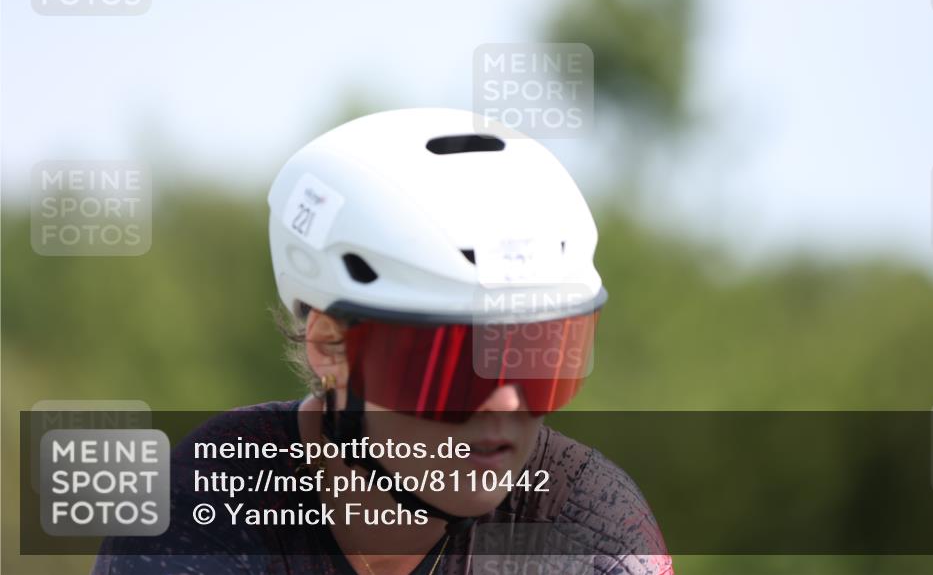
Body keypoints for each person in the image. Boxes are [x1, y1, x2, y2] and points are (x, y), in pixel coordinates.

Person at [93, 108, 673, 574]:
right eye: (452, 369)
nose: (505, 406)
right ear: (332, 348)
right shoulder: (203, 508)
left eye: (538, 360)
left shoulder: (589, 525)